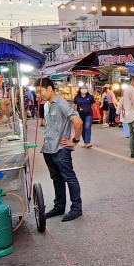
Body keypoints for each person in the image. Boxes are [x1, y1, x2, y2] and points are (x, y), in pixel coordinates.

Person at [38, 77, 83, 221]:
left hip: (61, 149)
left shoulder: (62, 104)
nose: (39, 94)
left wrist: (75, 140)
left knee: (69, 177)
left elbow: (78, 122)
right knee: (56, 178)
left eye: (40, 91)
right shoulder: (46, 105)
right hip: (48, 148)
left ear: (49, 88)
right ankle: (59, 206)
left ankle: (76, 208)